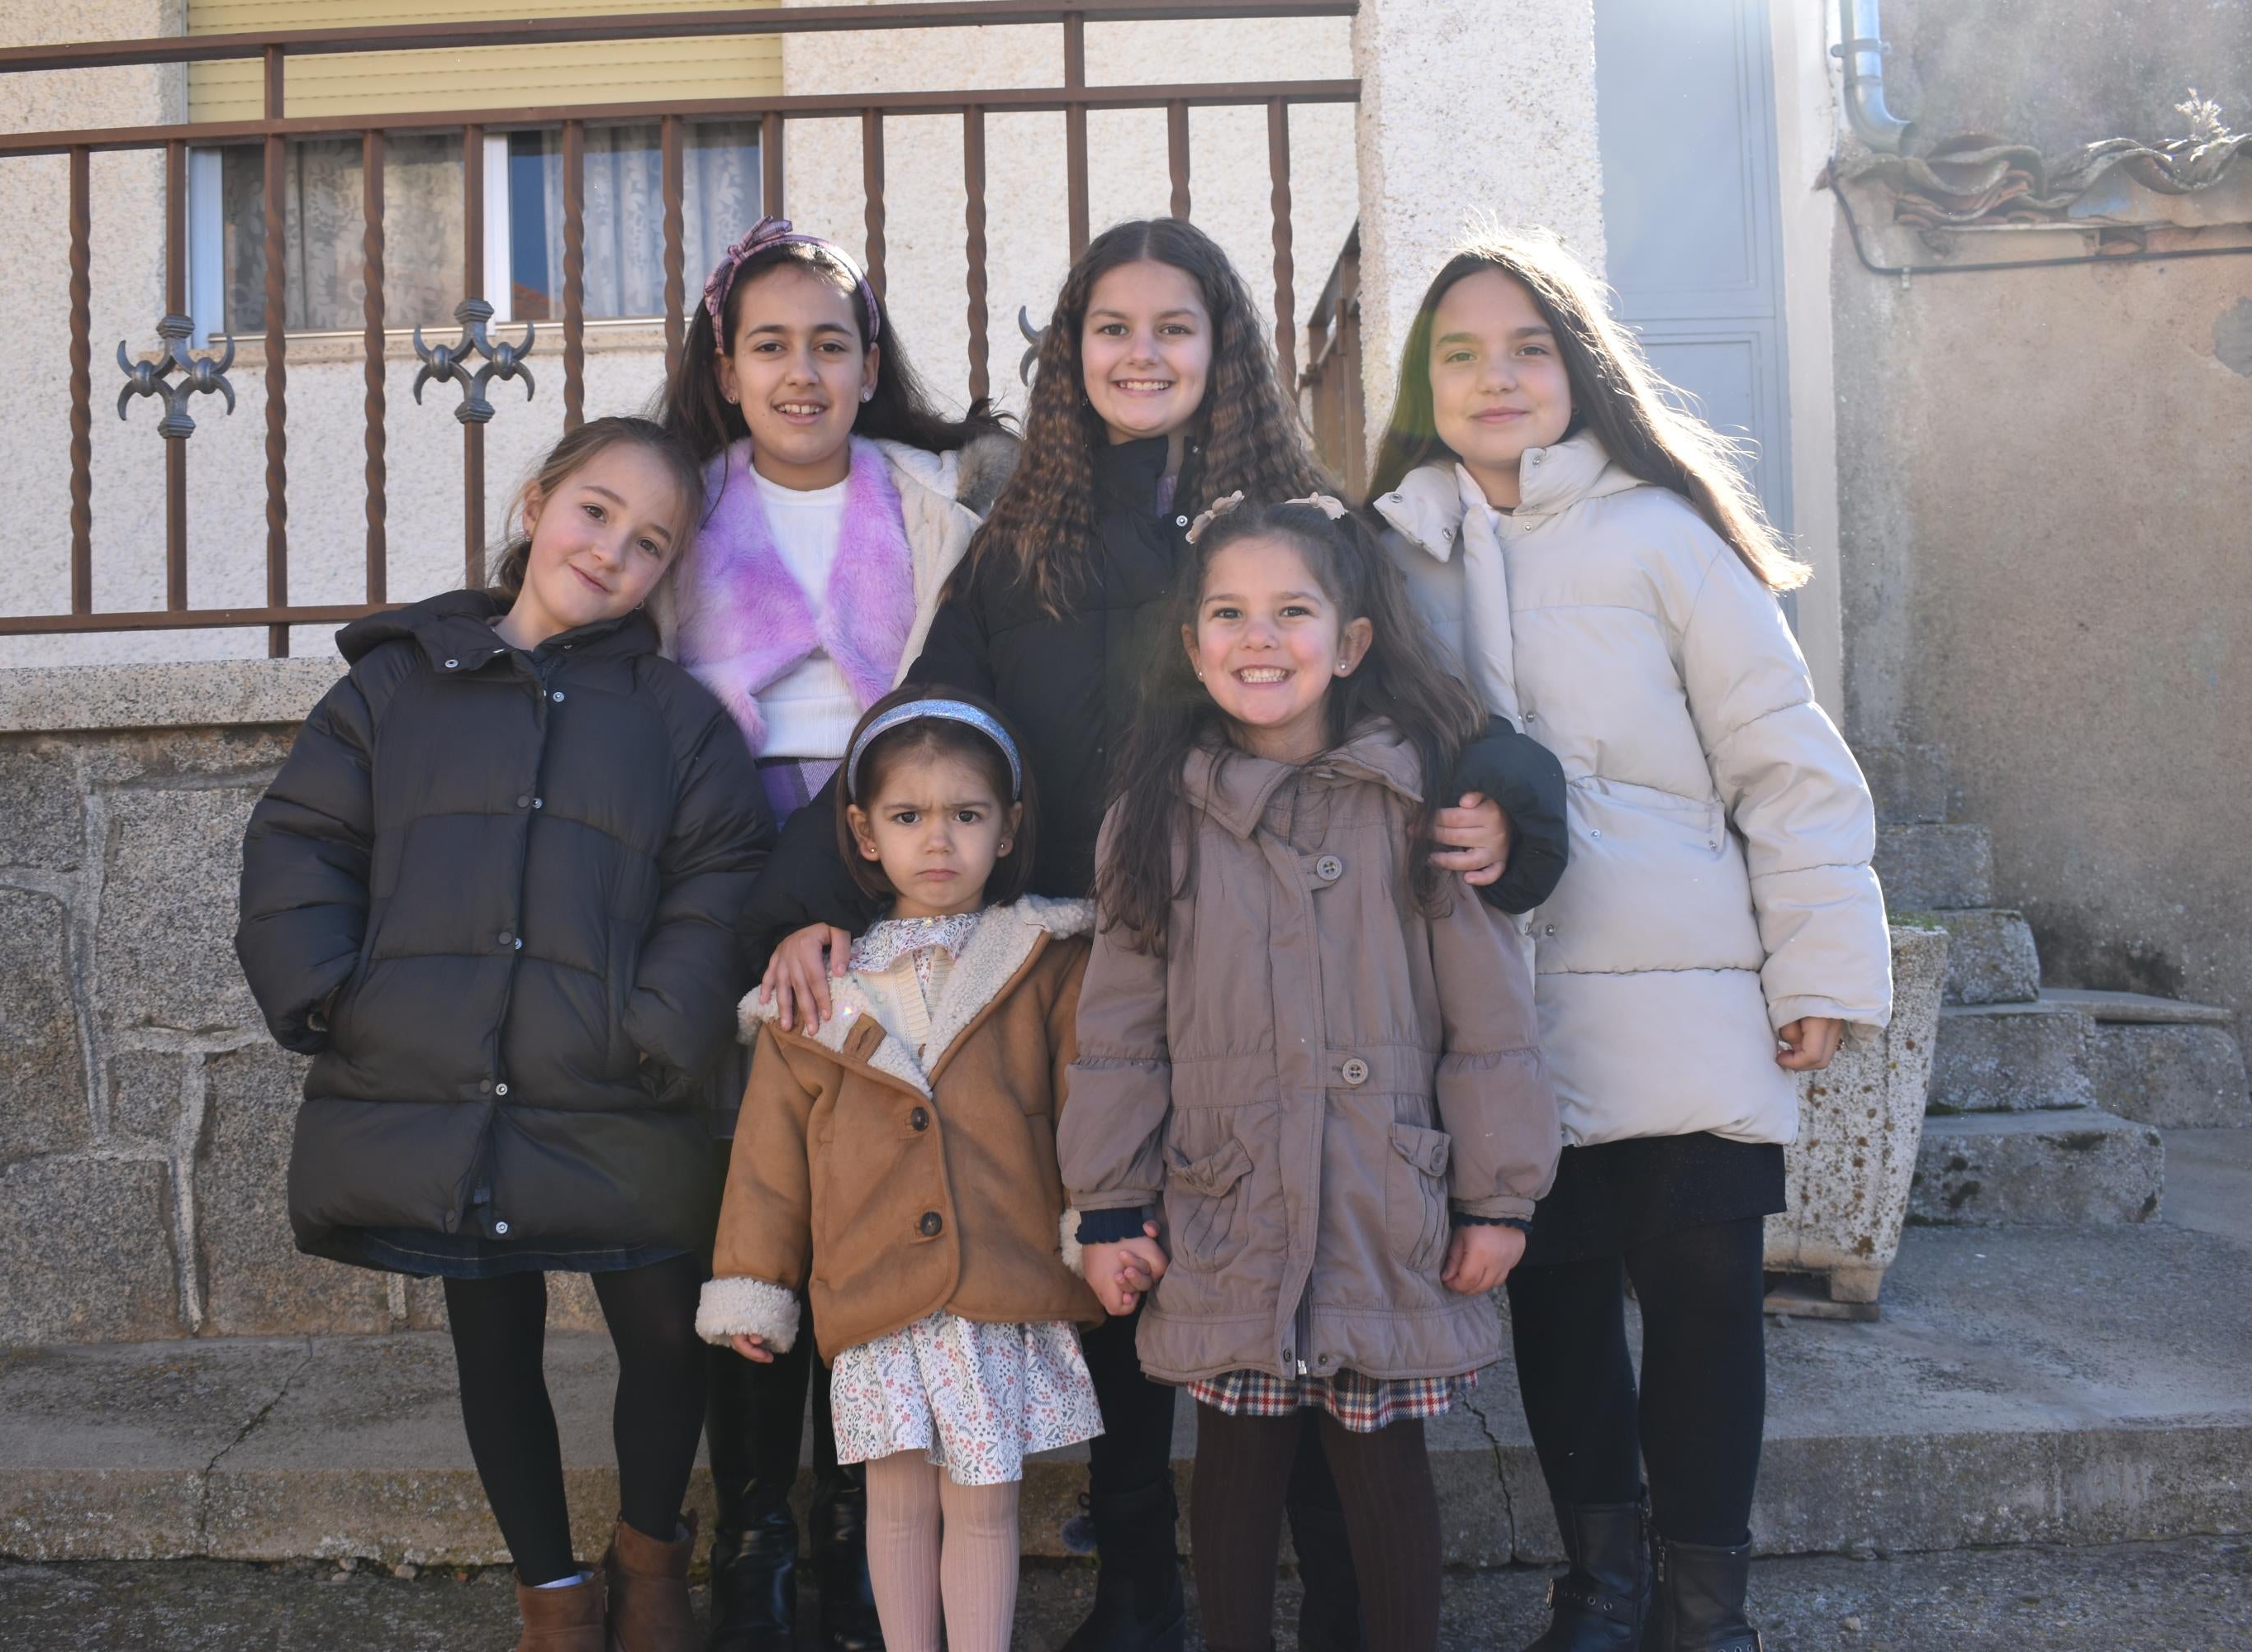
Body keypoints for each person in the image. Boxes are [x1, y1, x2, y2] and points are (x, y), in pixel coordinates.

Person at [744, 216, 1570, 1652]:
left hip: (1300, 970)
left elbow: (1445, 712)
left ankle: (1346, 1610)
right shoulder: (1025, 545)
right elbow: (923, 733)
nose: (1141, 353)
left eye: (1172, 327)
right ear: (1071, 355)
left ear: (1222, 347)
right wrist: (812, 897)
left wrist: (1515, 801)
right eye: (1109, 328)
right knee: (1120, 1276)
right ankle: (1141, 1588)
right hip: (1093, 968)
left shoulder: (1311, 532)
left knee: (1311, 1306)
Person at [1368, 230, 1891, 1652]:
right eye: (1460, 353)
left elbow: (1783, 760)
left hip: (1687, 982)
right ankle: (1600, 1589)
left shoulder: (1663, 536)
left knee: (1711, 1288)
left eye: (1529, 347)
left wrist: (1823, 962)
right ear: (1421, 382)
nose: (1496, 377)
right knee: (1557, 1294)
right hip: (1496, 1007)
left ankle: (1704, 1607)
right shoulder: (1386, 551)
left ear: (1581, 371)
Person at [234, 417, 772, 1652]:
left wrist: (660, 1027)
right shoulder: (393, 685)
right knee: (494, 1335)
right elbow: (302, 838)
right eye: (595, 512)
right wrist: (331, 993)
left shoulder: (678, 721)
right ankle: (552, 1593)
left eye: (649, 543)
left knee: (662, 1329)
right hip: (442, 1078)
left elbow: (719, 880)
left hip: (617, 1080)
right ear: (537, 504)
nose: (611, 551)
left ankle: (649, 1555)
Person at [1060, 493, 1562, 1652]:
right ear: (1191, 645)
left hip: (1382, 1195)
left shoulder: (1419, 804)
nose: (1259, 637)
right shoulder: (1155, 818)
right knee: (1234, 1473)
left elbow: (1490, 1021)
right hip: (1230, 1195)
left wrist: (1498, 1193)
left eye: (1293, 611)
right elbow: (1119, 1032)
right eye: (1228, 613)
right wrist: (1109, 1201)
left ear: (1349, 643)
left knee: (1383, 1472)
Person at [655, 214, 1019, 1652]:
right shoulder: (677, 507)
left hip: (892, 878)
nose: (800, 371)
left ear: (870, 364)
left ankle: (867, 1539)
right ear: (725, 368)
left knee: (880, 1207)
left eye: (829, 343)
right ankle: (754, 1536)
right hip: (726, 882)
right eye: (769, 346)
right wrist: (762, 914)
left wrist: (853, 890)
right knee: (758, 1213)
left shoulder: (940, 505)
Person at [696, 686, 1107, 1652]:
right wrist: (755, 1285)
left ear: (1008, 830)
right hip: (876, 1285)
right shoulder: (822, 984)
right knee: (892, 1503)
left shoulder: (1043, 957)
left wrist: (1099, 1221)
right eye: (908, 816)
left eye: (967, 815)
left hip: (996, 1282)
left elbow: (1092, 1101)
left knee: (985, 1500)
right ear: (863, 831)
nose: (939, 841)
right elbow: (767, 1155)